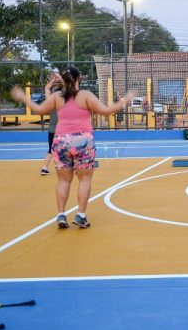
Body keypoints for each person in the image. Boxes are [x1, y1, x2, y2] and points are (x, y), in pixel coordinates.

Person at [11, 66, 134, 229]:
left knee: (63, 180)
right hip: (82, 141)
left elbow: (39, 110)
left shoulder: (57, 97)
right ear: (79, 78)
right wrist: (124, 100)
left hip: (61, 141)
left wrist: (24, 97)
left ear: (64, 79)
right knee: (85, 179)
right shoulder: (85, 96)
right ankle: (80, 215)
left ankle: (61, 215)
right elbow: (105, 111)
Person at [40, 73, 62, 175]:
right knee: (68, 147)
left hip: (52, 128)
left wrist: (53, 80)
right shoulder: (63, 100)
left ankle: (45, 167)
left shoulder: (50, 100)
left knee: (51, 149)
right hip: (63, 128)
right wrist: (59, 78)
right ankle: (62, 165)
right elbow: (67, 86)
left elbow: (47, 88)